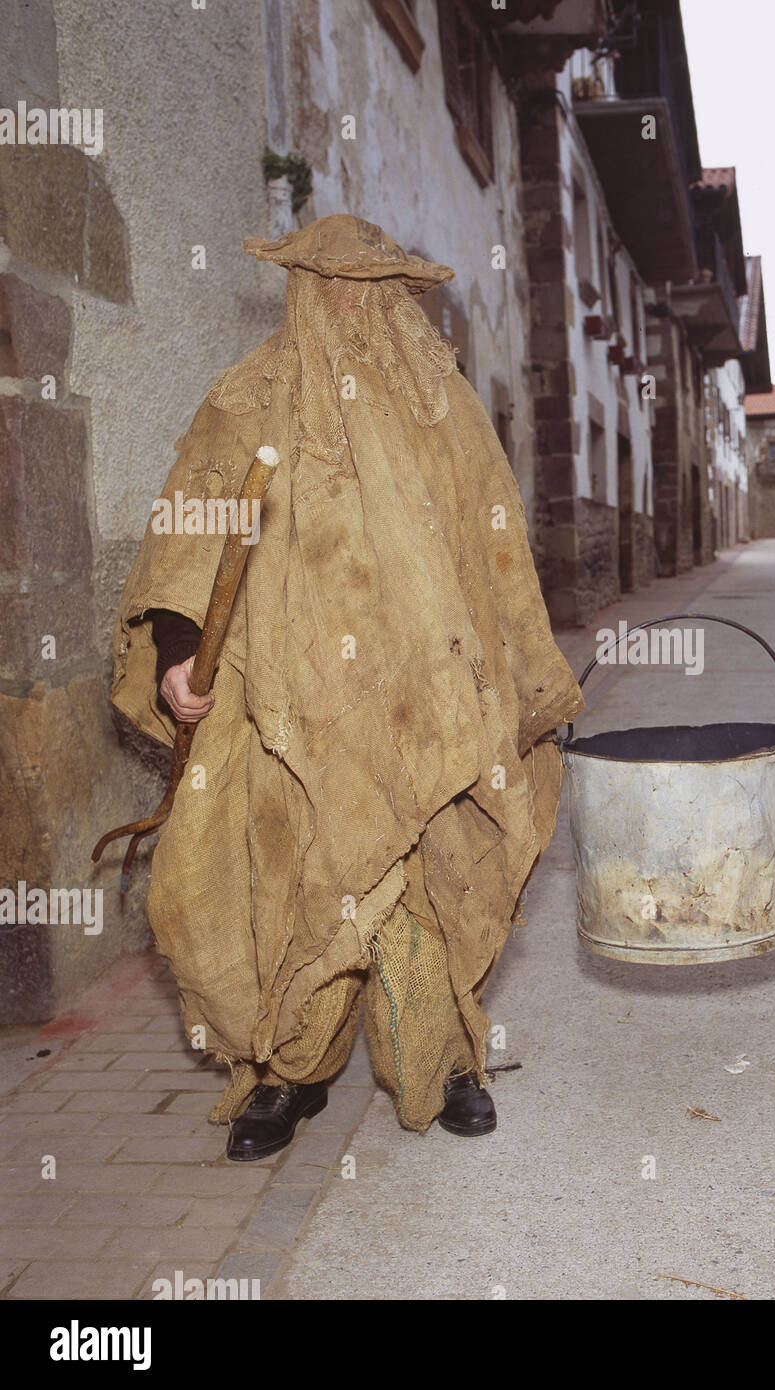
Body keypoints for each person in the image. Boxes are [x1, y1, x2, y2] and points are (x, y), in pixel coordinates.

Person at [109, 214, 582, 1159]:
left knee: (430, 878)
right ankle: (286, 1075)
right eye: (334, 286)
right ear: (302, 292)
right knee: (294, 886)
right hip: (290, 703)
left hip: (427, 704)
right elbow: (189, 539)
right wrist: (177, 654)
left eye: (377, 289)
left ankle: (445, 1061)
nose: (356, 306)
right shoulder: (247, 398)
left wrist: (521, 677)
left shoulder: (440, 405)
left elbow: (494, 554)